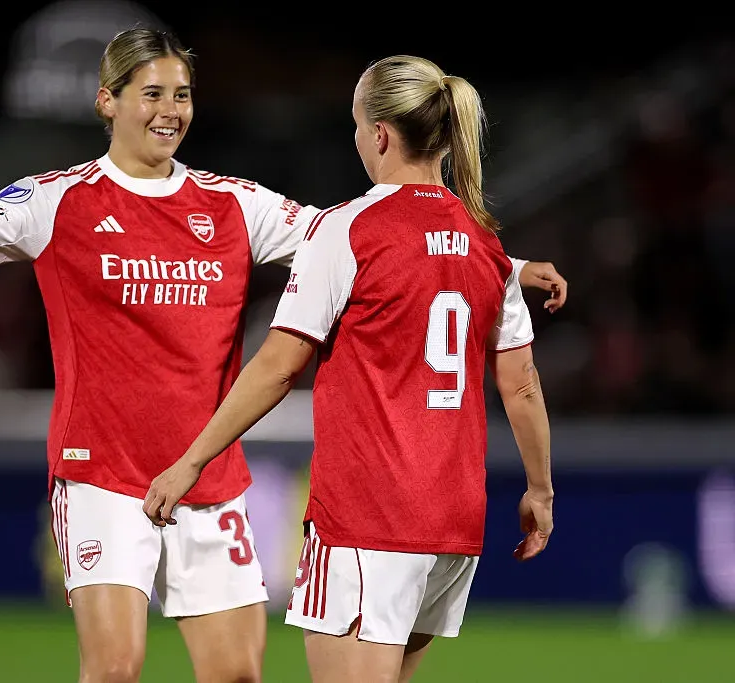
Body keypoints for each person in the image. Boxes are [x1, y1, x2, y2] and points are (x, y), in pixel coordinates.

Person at [0, 29, 561, 683]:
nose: (171, 111)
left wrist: (511, 266)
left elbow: (380, 236)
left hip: (207, 479)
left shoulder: (231, 204)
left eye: (182, 95)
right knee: (118, 665)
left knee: (236, 673)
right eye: (152, 93)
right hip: (103, 472)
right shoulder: (62, 200)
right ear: (108, 101)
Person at [143, 54, 554, 683]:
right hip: (452, 524)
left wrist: (191, 460)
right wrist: (539, 491)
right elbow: (521, 385)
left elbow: (280, 366)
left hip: (371, 518)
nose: (357, 138)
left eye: (358, 124)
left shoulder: (350, 229)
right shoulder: (487, 243)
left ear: (382, 134)